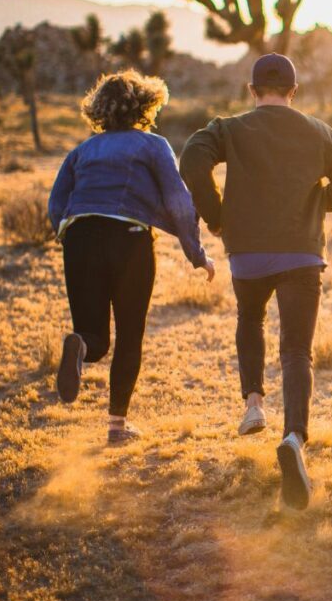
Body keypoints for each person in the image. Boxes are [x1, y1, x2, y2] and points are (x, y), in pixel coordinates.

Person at [179, 53, 332, 510]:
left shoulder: (229, 129)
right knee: (297, 349)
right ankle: (295, 438)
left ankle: (254, 405)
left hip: (248, 253)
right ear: (293, 92)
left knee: (250, 318)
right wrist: (318, 200)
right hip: (301, 251)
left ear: (252, 90)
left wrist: (217, 214)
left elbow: (190, 161)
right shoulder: (317, 131)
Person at [48, 70, 214, 444]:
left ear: (99, 109)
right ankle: (116, 427)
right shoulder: (153, 146)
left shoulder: (82, 151)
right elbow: (178, 201)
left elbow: (56, 202)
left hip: (80, 236)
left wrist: (68, 235)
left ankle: (81, 346)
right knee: (128, 335)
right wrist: (197, 254)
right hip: (129, 239)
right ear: (145, 105)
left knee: (95, 337)